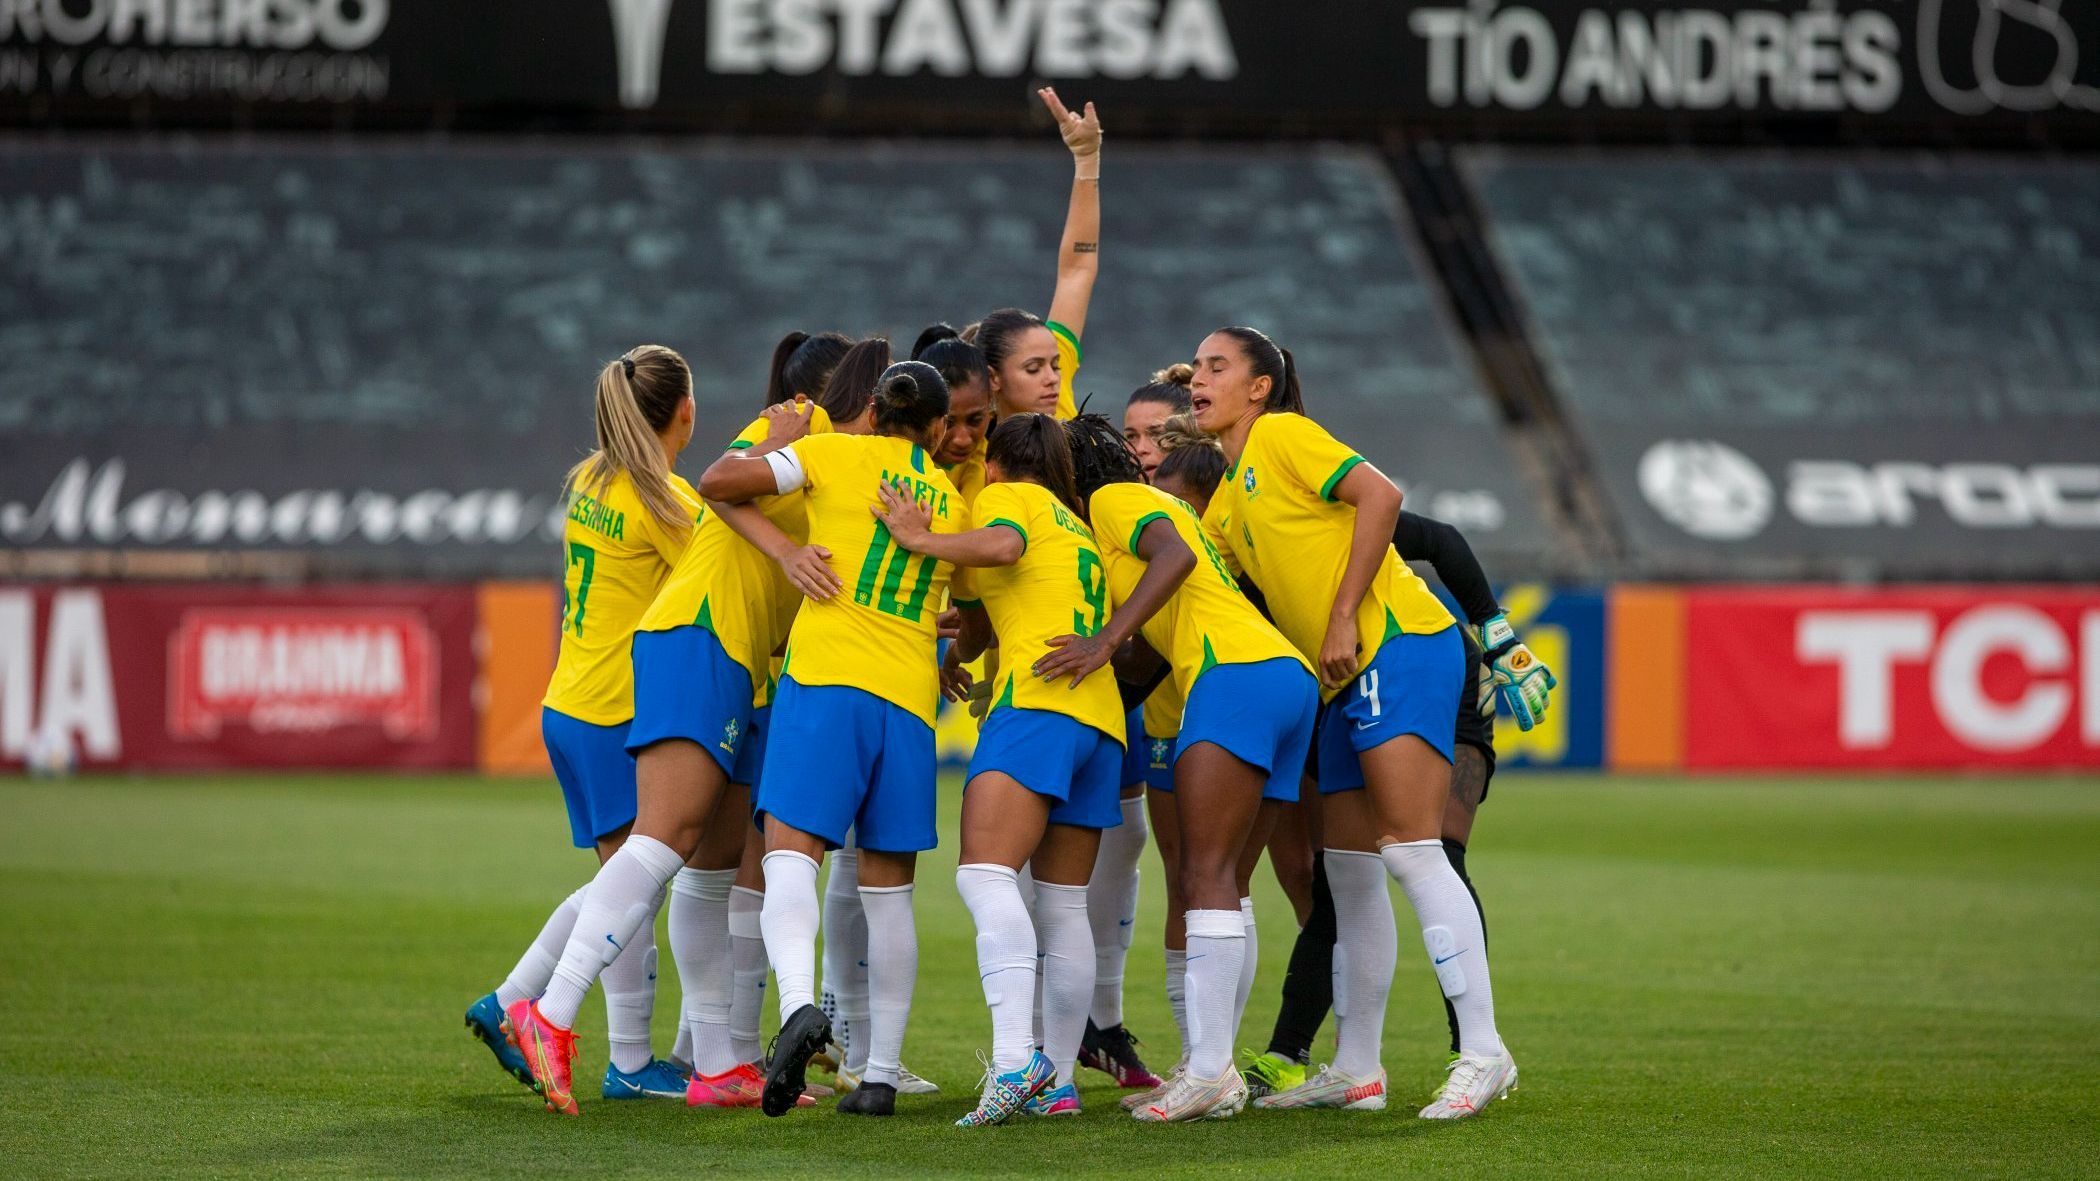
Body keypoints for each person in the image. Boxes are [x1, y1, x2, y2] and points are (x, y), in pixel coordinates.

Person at [1192, 326, 1517, 1119]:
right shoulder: (1229, 504)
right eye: (1195, 367)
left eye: (1215, 365)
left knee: (1412, 850)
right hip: (1343, 675)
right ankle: (1358, 1068)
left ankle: (1484, 1050)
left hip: (1400, 644)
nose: (1198, 377)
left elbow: (1384, 495)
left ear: (1259, 386)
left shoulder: (1282, 434)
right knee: (1350, 869)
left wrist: (1342, 617)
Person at [698, 358, 967, 1119]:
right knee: (890, 892)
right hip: (909, 701)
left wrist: (784, 546)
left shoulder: (831, 453)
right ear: (939, 429)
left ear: (874, 411)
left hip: (827, 683)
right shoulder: (948, 497)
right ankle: (880, 1074)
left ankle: (796, 1008)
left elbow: (718, 483)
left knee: (790, 854)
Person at [1044, 415, 1317, 1124]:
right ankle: (1212, 1066)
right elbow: (1152, 646)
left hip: (1234, 678)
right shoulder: (1151, 509)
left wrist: (1104, 638)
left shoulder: (1113, 501)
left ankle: (1207, 1070)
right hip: (1284, 677)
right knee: (1226, 880)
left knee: (1204, 875)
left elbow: (1176, 563)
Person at [863, 413, 1123, 1124]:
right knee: (1064, 904)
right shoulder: (1075, 522)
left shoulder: (1010, 498)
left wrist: (920, 537)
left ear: (1002, 461)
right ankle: (1060, 1082)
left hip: (1038, 702)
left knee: (983, 873)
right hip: (1099, 719)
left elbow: (1002, 545)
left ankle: (1016, 1059)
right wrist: (957, 652)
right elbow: (986, 612)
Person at [1244, 516, 1555, 1102]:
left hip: (1421, 670)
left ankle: (1477, 1050)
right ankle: (1330, 1063)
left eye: (1158, 435)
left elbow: (1438, 541)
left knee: (1433, 854)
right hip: (1334, 687)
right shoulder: (1222, 529)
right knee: (1340, 875)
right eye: (1135, 439)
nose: (1149, 454)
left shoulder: (1297, 496)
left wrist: (1497, 635)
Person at [468, 346, 698, 1111]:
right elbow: (730, 577)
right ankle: (627, 1060)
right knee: (635, 887)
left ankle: (510, 1000)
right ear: (684, 413)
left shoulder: (593, 482)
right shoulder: (666, 502)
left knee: (622, 882)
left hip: (570, 701)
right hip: (611, 711)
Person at [671, 331, 869, 1109]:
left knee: (731, 864)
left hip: (760, 665)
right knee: (673, 854)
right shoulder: (783, 438)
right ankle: (542, 1006)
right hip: (722, 651)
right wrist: (789, 554)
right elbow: (718, 487)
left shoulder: (817, 455)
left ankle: (716, 1049)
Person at [968, 88, 1101, 422]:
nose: (1052, 378)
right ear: (993, 379)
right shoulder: (965, 444)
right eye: (1033, 369)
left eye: (1055, 366)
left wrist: (1087, 160)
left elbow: (1078, 268)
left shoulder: (1059, 400)